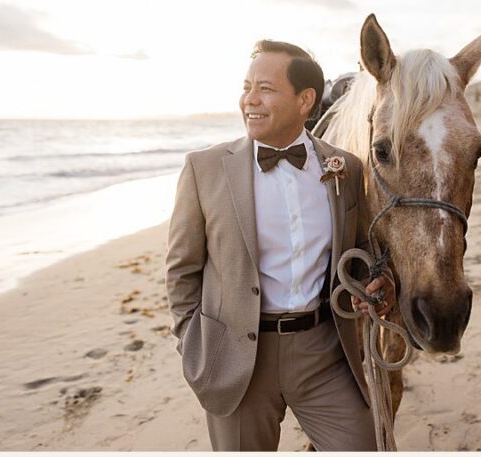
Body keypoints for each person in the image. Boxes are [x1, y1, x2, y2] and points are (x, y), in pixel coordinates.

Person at [167, 40, 392, 450]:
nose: (250, 100)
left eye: (266, 89)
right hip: (237, 360)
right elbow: (182, 270)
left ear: (305, 100)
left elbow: (359, 252)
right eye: (246, 87)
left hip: (325, 355)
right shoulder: (204, 169)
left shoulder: (345, 168)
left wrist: (374, 284)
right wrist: (194, 346)